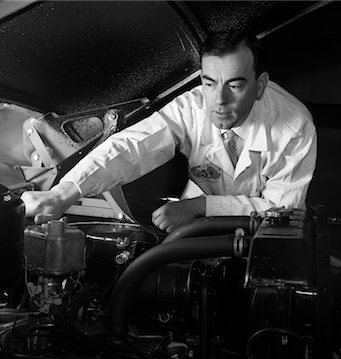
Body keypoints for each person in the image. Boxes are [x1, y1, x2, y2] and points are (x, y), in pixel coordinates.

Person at [21, 29, 317, 233]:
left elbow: (282, 210)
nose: (219, 101)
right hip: (194, 221)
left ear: (261, 84)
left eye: (235, 86)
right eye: (210, 83)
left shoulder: (294, 126)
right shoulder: (192, 106)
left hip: (265, 234)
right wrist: (63, 193)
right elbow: (133, 147)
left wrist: (202, 207)